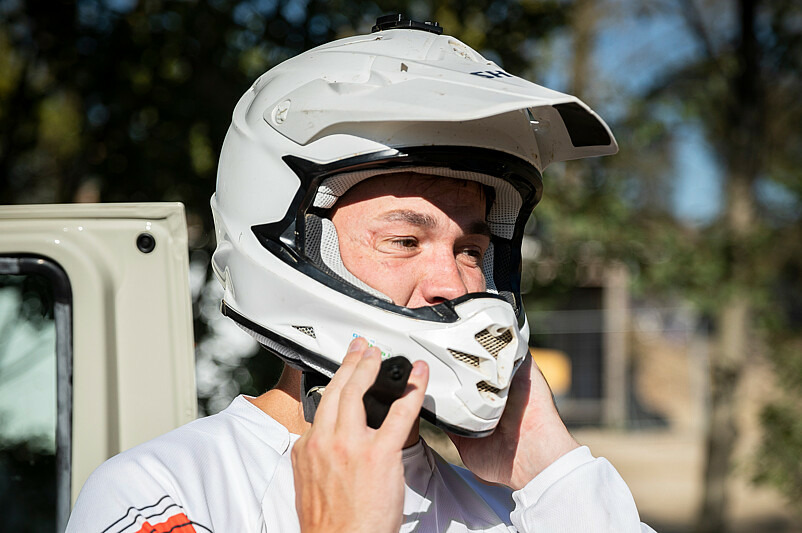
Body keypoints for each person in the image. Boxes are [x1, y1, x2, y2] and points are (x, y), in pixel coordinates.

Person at [66, 15, 655, 533]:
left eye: (472, 249)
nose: (454, 283)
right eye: (404, 240)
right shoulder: (166, 496)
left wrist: (547, 466)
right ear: (295, 247)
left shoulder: (518, 512)